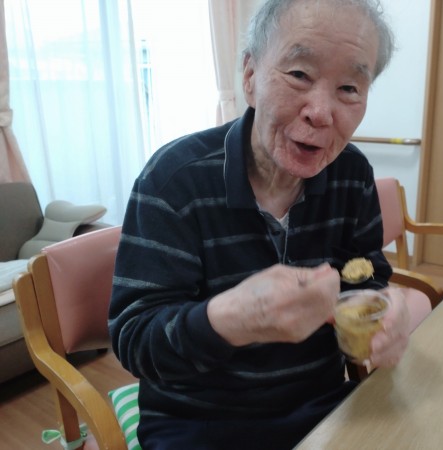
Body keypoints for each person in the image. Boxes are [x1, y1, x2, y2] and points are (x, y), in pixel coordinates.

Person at [109, 0, 413, 448]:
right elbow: (135, 340)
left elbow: (365, 277)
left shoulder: (352, 175)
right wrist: (230, 318)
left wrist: (385, 308)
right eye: (299, 74)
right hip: (199, 421)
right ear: (250, 76)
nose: (320, 112)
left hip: (320, 404)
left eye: (349, 88)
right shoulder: (173, 179)